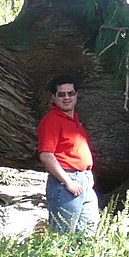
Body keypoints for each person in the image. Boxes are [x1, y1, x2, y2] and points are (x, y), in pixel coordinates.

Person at [37, 75, 100, 234]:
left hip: (84, 181)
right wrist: (68, 182)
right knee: (62, 235)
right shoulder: (51, 120)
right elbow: (46, 155)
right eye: (61, 94)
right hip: (65, 184)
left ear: (76, 95)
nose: (66, 98)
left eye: (70, 93)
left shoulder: (74, 119)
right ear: (54, 97)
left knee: (88, 232)